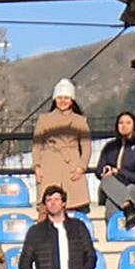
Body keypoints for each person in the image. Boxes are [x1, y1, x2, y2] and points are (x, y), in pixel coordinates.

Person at [32, 82, 90, 215]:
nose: (62, 101)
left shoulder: (80, 120)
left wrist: (81, 166)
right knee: (47, 204)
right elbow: (37, 145)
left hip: (72, 163)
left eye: (66, 98)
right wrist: (37, 166)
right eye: (59, 98)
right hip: (49, 162)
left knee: (75, 204)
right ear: (54, 99)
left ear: (72, 100)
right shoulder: (44, 119)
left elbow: (86, 146)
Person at [91, 110, 135, 223]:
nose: (124, 126)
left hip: (134, 187)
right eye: (121, 123)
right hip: (109, 186)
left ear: (134, 126)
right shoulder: (110, 147)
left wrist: (118, 172)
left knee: (112, 202)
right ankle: (128, 207)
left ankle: (114, 234)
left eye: (128, 123)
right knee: (107, 180)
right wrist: (106, 170)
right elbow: (98, 171)